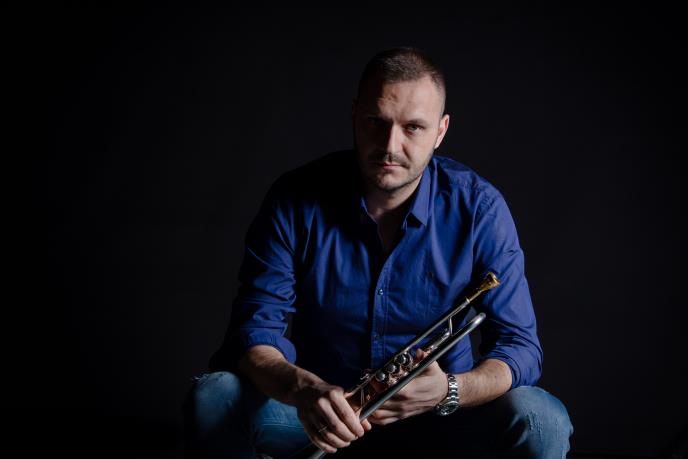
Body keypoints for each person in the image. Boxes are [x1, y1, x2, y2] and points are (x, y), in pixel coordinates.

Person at [183, 47, 573, 458]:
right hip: (322, 417)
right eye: (376, 122)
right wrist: (305, 389)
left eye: (413, 127)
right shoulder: (294, 199)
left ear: (440, 131)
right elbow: (253, 333)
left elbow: (519, 347)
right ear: (355, 115)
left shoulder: (479, 208)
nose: (391, 145)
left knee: (540, 416)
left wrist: (449, 389)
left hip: (443, 419)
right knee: (215, 395)